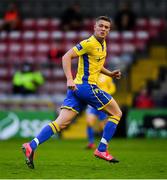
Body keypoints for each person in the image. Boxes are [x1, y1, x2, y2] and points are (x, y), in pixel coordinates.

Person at [22, 16, 122, 169]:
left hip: (77, 90)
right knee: (116, 113)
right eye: (100, 26)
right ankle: (101, 149)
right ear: (94, 27)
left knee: (60, 123)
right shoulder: (89, 43)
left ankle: (31, 145)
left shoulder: (102, 45)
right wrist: (69, 78)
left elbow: (96, 65)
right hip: (86, 87)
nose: (103, 29)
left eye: (106, 27)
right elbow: (66, 56)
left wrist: (110, 74)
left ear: (109, 30)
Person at [86, 73, 116, 149]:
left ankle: (104, 144)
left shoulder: (106, 77)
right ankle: (91, 143)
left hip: (103, 103)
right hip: (93, 102)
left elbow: (112, 88)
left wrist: (106, 96)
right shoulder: (90, 76)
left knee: (101, 126)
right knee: (89, 122)